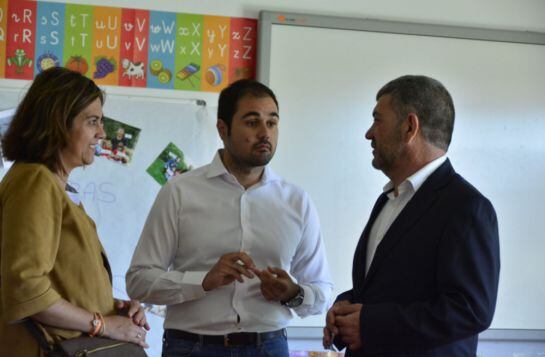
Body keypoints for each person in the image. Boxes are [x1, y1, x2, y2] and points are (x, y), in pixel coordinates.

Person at [126, 79, 333, 356]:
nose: (265, 133)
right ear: (223, 129)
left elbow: (321, 291)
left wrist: (292, 293)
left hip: (269, 346)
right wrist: (202, 281)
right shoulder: (179, 192)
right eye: (252, 122)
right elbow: (139, 281)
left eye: (272, 123)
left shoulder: (296, 201)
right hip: (191, 346)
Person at [323, 75, 500, 356]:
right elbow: (386, 289)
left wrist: (369, 323)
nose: (369, 133)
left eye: (378, 120)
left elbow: (470, 310)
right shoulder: (388, 200)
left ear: (409, 127)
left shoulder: (466, 207)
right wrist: (346, 308)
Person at [0, 67, 150, 356]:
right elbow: (26, 287)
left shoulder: (48, 183)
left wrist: (109, 304)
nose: (102, 133)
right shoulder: (36, 181)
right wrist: (103, 324)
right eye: (92, 121)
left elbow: (59, 281)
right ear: (58, 123)